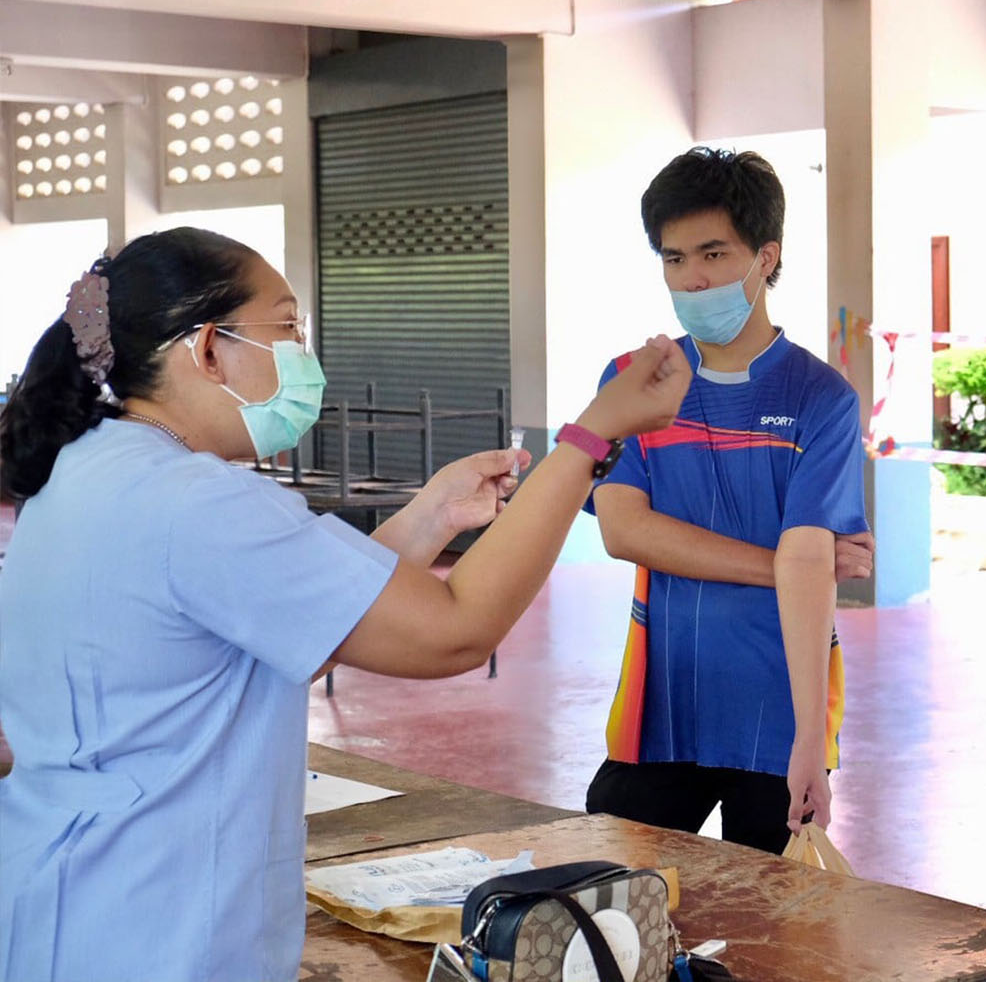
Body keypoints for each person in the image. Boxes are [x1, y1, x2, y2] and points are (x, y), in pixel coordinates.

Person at [0, 227, 691, 982]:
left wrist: (431, 517)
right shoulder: (198, 502)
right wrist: (590, 441)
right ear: (206, 349)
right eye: (287, 327)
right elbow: (456, 630)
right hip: (159, 931)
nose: (304, 353)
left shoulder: (85, 476)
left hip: (63, 905)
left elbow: (299, 622)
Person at [584, 146, 872, 855]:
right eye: (674, 258)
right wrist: (785, 565)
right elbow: (625, 531)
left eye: (713, 253)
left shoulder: (820, 398)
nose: (693, 278)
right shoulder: (634, 378)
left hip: (781, 709)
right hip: (660, 706)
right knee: (613, 906)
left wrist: (810, 737)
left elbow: (811, 557)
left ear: (766, 256)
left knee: (769, 944)